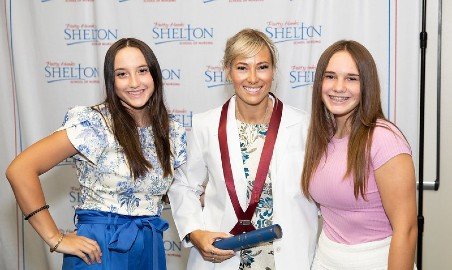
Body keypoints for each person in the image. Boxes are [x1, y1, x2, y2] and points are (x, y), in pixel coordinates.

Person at [6, 37, 186, 270]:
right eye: (122, 74)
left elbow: (178, 192)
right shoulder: (94, 123)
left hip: (149, 246)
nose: (134, 82)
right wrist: (54, 237)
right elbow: (20, 170)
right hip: (99, 248)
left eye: (142, 70)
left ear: (154, 74)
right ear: (111, 81)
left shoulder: (171, 131)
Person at [168, 28, 318, 270]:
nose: (252, 78)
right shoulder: (205, 125)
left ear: (274, 71)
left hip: (287, 258)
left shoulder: (304, 126)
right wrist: (195, 232)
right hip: (224, 257)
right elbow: (184, 184)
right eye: (242, 67)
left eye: (262, 66)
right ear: (228, 71)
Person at [301, 40, 417, 269]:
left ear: (366, 85)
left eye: (351, 78)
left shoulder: (384, 139)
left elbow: (407, 229)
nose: (338, 87)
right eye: (330, 76)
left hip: (376, 261)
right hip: (326, 258)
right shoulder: (322, 135)